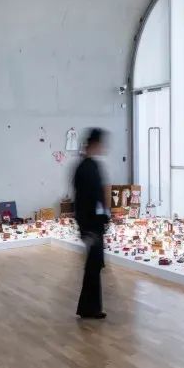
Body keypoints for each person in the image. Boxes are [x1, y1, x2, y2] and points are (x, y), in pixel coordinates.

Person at [73, 128, 112, 319]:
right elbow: (85, 200)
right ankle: (89, 308)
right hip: (91, 225)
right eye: (101, 144)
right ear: (94, 144)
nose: (103, 148)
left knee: (94, 266)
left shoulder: (89, 166)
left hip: (93, 224)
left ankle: (89, 308)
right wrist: (87, 227)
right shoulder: (86, 168)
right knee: (93, 266)